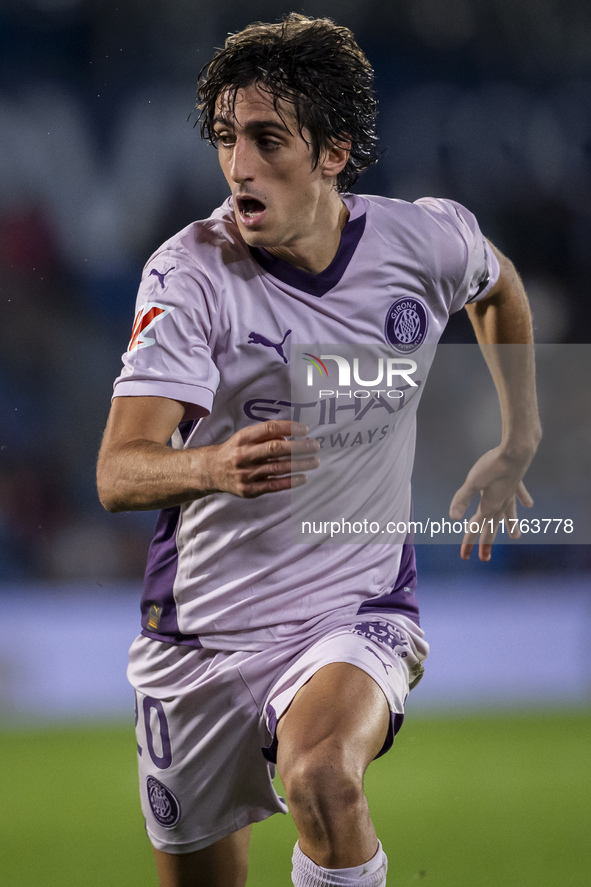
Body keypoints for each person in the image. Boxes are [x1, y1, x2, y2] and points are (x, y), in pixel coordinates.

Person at [96, 13, 541, 887]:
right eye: (227, 139)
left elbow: (497, 287)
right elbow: (118, 472)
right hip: (199, 639)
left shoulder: (421, 242)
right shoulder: (189, 278)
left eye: (267, 139)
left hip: (354, 606)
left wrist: (517, 438)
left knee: (323, 777)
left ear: (334, 151)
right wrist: (212, 466)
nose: (238, 167)